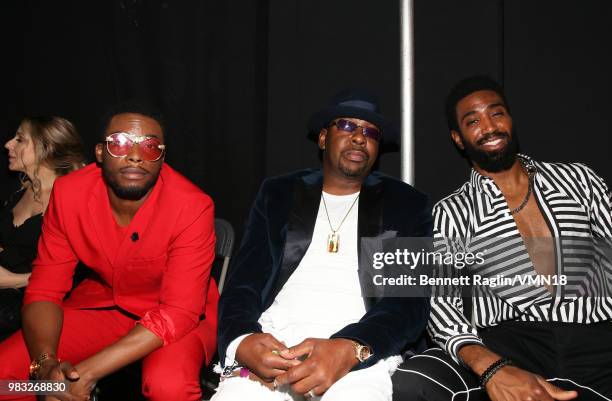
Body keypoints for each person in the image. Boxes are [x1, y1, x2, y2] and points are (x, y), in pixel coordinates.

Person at [393, 76, 612, 400]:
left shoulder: (578, 180)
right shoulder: (452, 213)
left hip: (597, 338)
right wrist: (491, 367)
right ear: (458, 138)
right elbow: (440, 305)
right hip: (511, 345)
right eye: (473, 121)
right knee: (416, 380)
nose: (490, 126)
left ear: (510, 119)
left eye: (496, 114)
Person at [213, 89, 432, 401]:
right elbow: (243, 284)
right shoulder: (279, 194)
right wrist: (243, 340)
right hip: (274, 346)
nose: (359, 138)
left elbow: (409, 304)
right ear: (323, 138)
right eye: (347, 126)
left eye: (371, 132)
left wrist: (350, 348)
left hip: (358, 355)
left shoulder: (406, 203)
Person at [0, 101, 219, 401]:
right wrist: (45, 366)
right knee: (4, 377)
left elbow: (178, 311)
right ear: (100, 153)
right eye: (119, 143)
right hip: (106, 307)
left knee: (169, 385)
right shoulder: (69, 194)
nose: (135, 155)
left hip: (176, 316)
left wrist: (85, 374)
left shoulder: (191, 206)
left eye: (150, 147)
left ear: (162, 158)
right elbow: (44, 290)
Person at [0, 116, 85, 340]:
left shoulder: (71, 201)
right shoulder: (20, 188)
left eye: (19, 139)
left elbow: (80, 276)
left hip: (32, 309)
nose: (8, 144)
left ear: (45, 149)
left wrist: (13, 280)